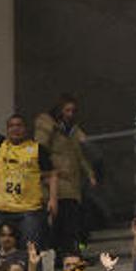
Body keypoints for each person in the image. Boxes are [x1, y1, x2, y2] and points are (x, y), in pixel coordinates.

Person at [0, 77, 57, 249]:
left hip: (29, 211)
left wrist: (53, 199)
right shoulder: (0, 145)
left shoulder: (37, 149)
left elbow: (52, 174)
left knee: (31, 252)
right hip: (2, 210)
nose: (15, 128)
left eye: (19, 125)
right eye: (11, 126)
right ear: (7, 130)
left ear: (25, 129)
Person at [35, 93, 97, 252]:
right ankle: (64, 254)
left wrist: (90, 173)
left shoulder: (73, 131)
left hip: (73, 182)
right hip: (56, 181)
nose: (70, 114)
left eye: (73, 110)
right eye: (67, 110)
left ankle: (74, 251)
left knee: (74, 221)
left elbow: (80, 155)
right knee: (59, 222)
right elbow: (40, 148)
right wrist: (49, 172)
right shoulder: (49, 125)